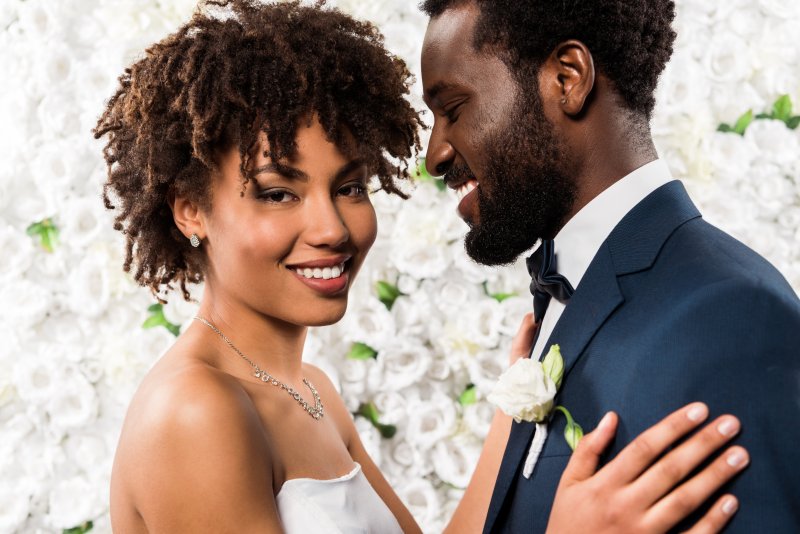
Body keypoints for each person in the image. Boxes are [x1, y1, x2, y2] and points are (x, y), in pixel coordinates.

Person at [95, 1, 748, 532]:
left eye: (350, 187)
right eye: (278, 192)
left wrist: (512, 415)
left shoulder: (310, 391)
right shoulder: (194, 412)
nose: (330, 228)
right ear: (189, 212)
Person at [419, 0, 800, 532]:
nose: (435, 155)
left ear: (567, 78)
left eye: (453, 108)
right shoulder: (562, 299)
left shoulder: (731, 316)